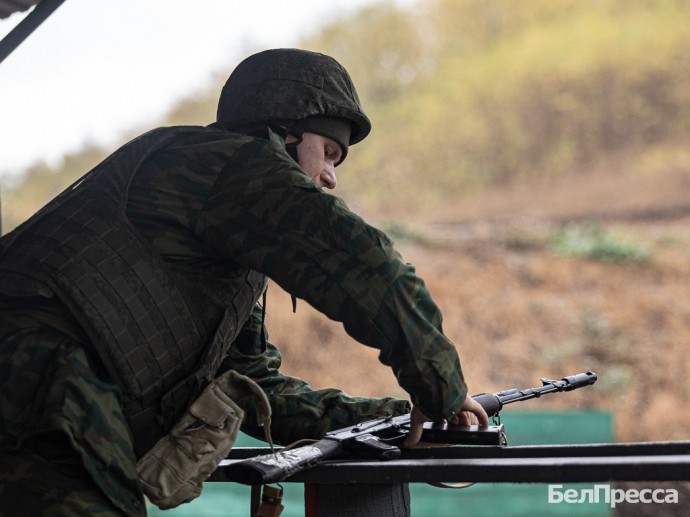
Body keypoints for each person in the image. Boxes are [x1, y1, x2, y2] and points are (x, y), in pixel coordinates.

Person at [0, 48, 487, 515]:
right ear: (287, 135)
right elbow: (367, 267)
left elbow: (256, 388)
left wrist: (392, 418)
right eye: (330, 152)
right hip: (36, 389)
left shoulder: (217, 233)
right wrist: (440, 387)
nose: (331, 178)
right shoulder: (226, 164)